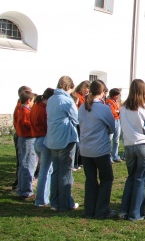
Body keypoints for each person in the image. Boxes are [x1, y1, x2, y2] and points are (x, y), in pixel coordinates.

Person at [119, 79, 145, 221]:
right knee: (140, 179)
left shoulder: (123, 108)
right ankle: (135, 213)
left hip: (129, 145)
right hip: (142, 145)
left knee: (131, 178)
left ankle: (124, 210)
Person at [78, 80, 116, 219]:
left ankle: (89, 210)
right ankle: (101, 210)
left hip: (86, 149)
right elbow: (112, 127)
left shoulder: (82, 107)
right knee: (106, 178)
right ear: (102, 92)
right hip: (100, 149)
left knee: (91, 180)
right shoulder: (103, 108)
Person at [46, 76, 79, 211]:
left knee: (56, 171)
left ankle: (54, 202)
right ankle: (66, 203)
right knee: (65, 172)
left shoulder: (51, 99)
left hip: (53, 139)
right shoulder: (67, 100)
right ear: (68, 87)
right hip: (65, 139)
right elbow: (76, 119)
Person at [30, 87, 55, 207]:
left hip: (38, 140)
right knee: (45, 171)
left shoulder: (36, 106)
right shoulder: (44, 109)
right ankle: (41, 199)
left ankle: (44, 197)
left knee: (46, 170)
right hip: (44, 139)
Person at [15, 90, 36, 201]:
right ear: (29, 101)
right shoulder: (26, 112)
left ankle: (22, 189)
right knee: (28, 165)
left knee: (24, 164)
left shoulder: (20, 109)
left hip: (23, 139)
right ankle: (26, 191)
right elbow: (27, 124)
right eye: (33, 101)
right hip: (28, 139)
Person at [12, 85, 32, 191]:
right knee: (23, 162)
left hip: (20, 135)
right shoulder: (22, 108)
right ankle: (20, 185)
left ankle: (20, 184)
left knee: (22, 161)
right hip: (23, 136)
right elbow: (23, 123)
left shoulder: (21, 107)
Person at [106, 88, 122, 163]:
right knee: (110, 138)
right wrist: (117, 111)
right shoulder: (109, 101)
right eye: (117, 95)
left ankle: (115, 155)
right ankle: (109, 157)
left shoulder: (118, 102)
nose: (118, 96)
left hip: (118, 120)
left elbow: (120, 110)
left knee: (116, 139)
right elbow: (112, 111)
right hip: (112, 120)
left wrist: (118, 111)